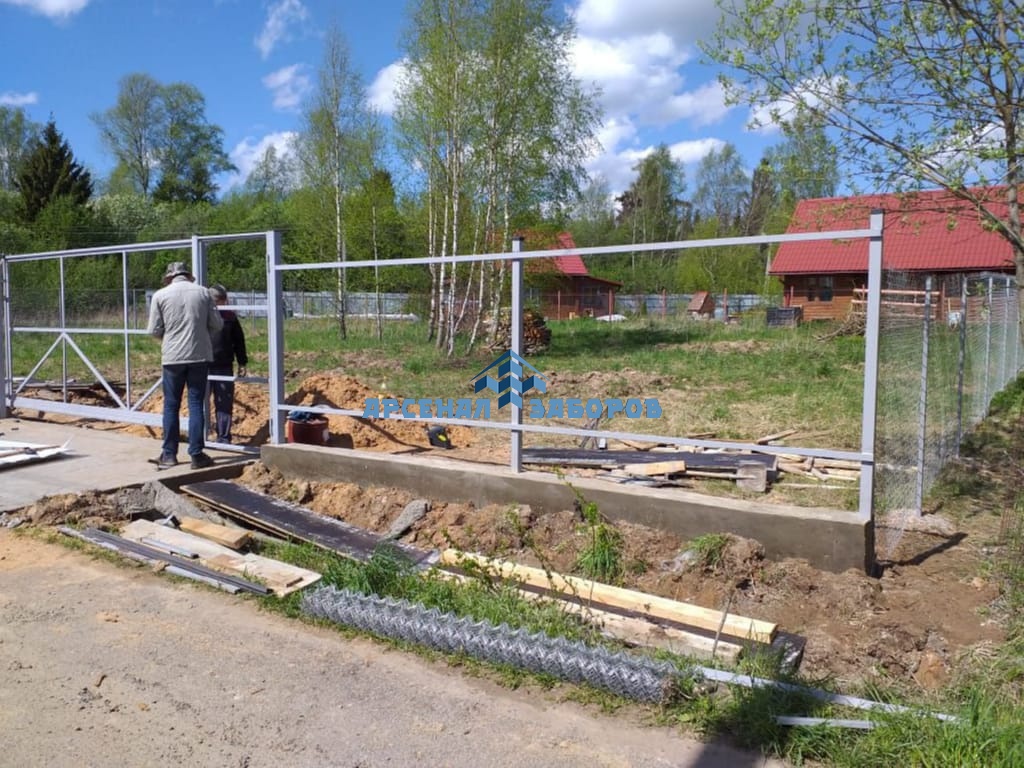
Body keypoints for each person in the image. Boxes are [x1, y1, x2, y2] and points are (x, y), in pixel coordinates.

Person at [147, 261, 223, 470]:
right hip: (199, 356)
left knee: (171, 405)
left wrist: (169, 338)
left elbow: (153, 330)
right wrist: (201, 335)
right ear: (188, 275)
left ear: (169, 277)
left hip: (172, 358)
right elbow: (217, 324)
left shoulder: (160, 295)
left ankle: (169, 454)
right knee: (196, 404)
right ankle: (196, 455)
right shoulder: (203, 293)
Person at [207, 283, 248, 444]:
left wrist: (242, 362)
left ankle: (220, 437)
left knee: (214, 402)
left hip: (211, 364)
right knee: (221, 402)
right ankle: (219, 437)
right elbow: (239, 341)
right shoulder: (227, 316)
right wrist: (242, 362)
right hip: (213, 364)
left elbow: (238, 341)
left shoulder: (228, 317)